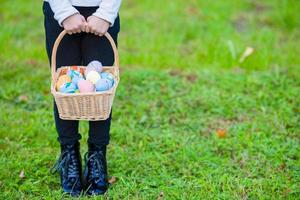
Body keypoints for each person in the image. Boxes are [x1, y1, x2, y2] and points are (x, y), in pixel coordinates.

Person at [43, 0, 122, 196]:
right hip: (60, 11)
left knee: (101, 89)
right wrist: (64, 12)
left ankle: (97, 156)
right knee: (64, 87)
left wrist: (105, 13)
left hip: (102, 10)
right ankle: (69, 155)